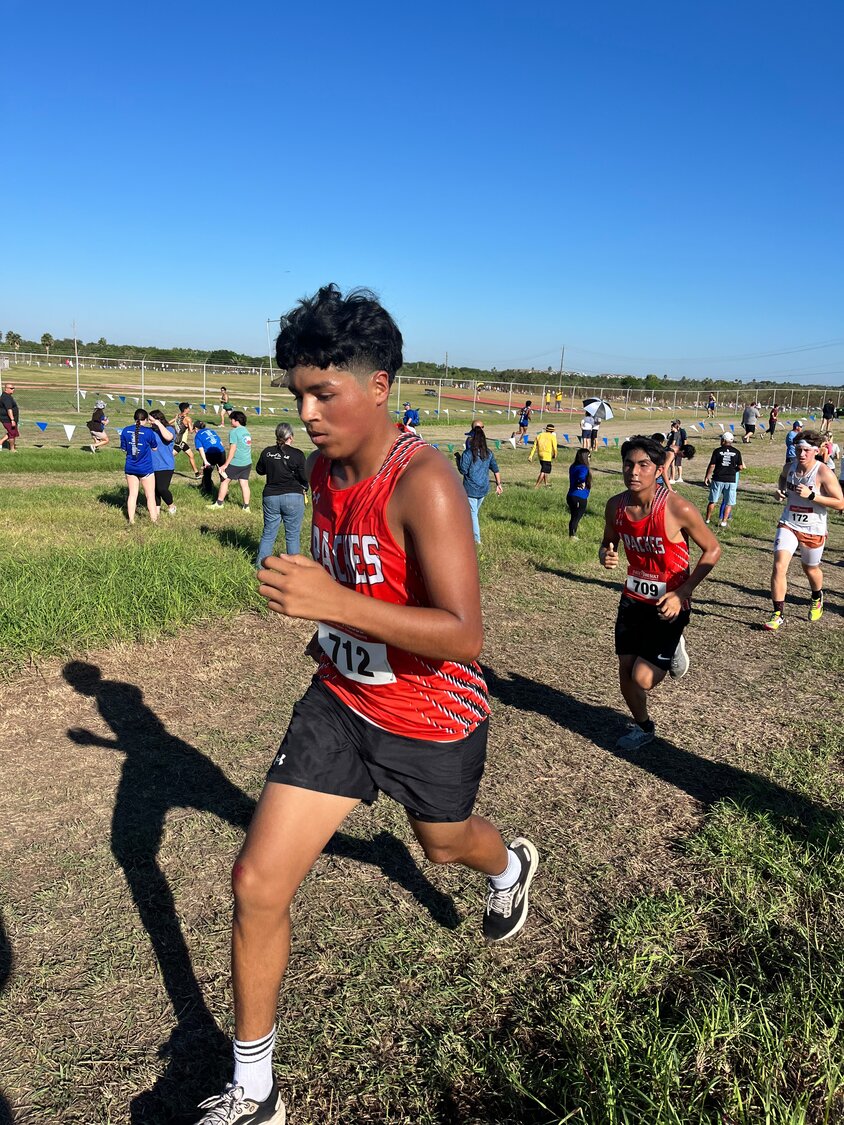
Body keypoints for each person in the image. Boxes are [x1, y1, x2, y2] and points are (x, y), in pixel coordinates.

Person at [192, 284, 537, 1125]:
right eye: (298, 395)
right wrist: (330, 618)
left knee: (442, 845)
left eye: (324, 393)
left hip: (431, 716)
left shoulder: (427, 482)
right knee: (256, 880)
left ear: (378, 386)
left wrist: (333, 605)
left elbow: (462, 634)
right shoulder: (317, 470)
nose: (306, 413)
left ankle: (510, 867)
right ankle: (255, 1089)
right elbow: (349, 578)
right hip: (340, 703)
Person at [599, 435, 721, 749]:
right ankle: (644, 727)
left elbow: (712, 549)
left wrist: (683, 592)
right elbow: (608, 541)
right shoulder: (616, 506)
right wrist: (606, 553)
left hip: (669, 603)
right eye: (628, 464)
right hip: (632, 600)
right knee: (625, 672)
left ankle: (675, 646)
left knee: (643, 678)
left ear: (657, 470)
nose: (634, 472)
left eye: (643, 465)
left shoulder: (677, 507)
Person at [764, 430, 844, 631]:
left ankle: (817, 595)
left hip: (813, 528)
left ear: (816, 451)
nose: (801, 454)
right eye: (798, 449)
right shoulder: (790, 467)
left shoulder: (823, 472)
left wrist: (812, 496)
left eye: (806, 451)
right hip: (789, 523)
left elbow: (840, 503)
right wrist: (780, 490)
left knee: (810, 568)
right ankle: (777, 614)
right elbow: (782, 477)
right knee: (779, 566)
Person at [255, 422, 309, 567]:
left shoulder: (267, 452)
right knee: (292, 535)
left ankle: (261, 566)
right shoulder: (297, 454)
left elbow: (260, 470)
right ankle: (293, 568)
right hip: (293, 496)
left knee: (268, 533)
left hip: (271, 496)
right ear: (291, 436)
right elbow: (304, 477)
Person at [459, 425, 502, 542]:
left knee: (472, 515)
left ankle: (476, 540)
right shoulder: (488, 453)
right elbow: (496, 469)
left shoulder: (467, 454)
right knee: (473, 513)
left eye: (469, 437)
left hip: (470, 489)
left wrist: (459, 460)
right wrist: (499, 484)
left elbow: (463, 470)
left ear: (472, 439)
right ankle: (468, 533)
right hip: (483, 489)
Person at [119, 409, 159, 525]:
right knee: (150, 496)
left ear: (134, 418)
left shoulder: (125, 430)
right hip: (145, 468)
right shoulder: (148, 432)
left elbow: (123, 449)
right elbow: (154, 448)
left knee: (132, 494)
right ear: (145, 420)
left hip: (130, 467)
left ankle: (131, 520)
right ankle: (154, 521)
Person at [208, 411, 253, 512]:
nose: (230, 421)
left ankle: (219, 503)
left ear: (236, 420)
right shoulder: (246, 431)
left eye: (231, 419)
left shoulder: (234, 432)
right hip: (247, 462)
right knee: (244, 484)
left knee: (225, 481)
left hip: (236, 462)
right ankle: (246, 507)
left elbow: (232, 450)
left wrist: (225, 465)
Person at [704, 432, 744, 526]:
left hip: (718, 478)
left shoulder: (717, 451)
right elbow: (741, 467)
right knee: (728, 502)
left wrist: (707, 476)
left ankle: (707, 519)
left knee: (713, 500)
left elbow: (712, 465)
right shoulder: (737, 452)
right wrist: (734, 471)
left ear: (723, 441)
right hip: (731, 479)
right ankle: (724, 521)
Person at [148, 409, 177, 515]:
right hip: (152, 465)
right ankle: (157, 512)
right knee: (154, 490)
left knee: (162, 488)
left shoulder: (169, 429)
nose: (149, 422)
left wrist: (158, 424)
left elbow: (168, 437)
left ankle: (171, 505)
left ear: (158, 419)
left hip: (166, 464)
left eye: (151, 420)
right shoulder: (150, 431)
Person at [194, 421, 228, 495]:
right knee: (222, 472)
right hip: (221, 451)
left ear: (196, 429)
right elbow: (221, 443)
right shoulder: (211, 431)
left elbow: (201, 449)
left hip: (210, 453)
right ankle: (225, 490)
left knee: (207, 473)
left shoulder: (198, 435)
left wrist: (205, 461)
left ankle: (208, 492)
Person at [566, 448, 591, 538]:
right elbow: (581, 476)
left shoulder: (573, 466)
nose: (590, 458)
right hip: (579, 496)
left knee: (574, 516)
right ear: (584, 457)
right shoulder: (583, 468)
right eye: (589, 456)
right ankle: (572, 536)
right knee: (576, 517)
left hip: (570, 495)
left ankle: (572, 534)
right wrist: (581, 482)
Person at [171, 402, 200, 477]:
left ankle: (197, 473)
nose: (189, 409)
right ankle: (163, 470)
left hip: (177, 440)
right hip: (181, 442)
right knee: (169, 456)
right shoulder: (188, 419)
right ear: (185, 409)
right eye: (188, 408)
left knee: (191, 455)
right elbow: (191, 431)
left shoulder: (177, 416)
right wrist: (196, 428)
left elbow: (169, 422)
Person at [528, 423, 558, 488]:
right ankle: (536, 486)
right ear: (552, 431)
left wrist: (531, 456)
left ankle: (546, 483)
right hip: (547, 456)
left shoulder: (539, 435)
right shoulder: (553, 437)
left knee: (544, 469)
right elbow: (555, 447)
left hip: (540, 455)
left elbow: (534, 446)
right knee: (543, 471)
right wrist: (555, 454)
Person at [0, 382, 19, 452]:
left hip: (9, 419)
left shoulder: (8, 396)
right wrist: (12, 420)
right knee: (12, 434)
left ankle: (1, 442)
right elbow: (9, 409)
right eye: (11, 388)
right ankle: (12, 449)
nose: (13, 389)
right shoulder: (6, 398)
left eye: (13, 388)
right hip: (7, 419)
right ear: (6, 389)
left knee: (13, 432)